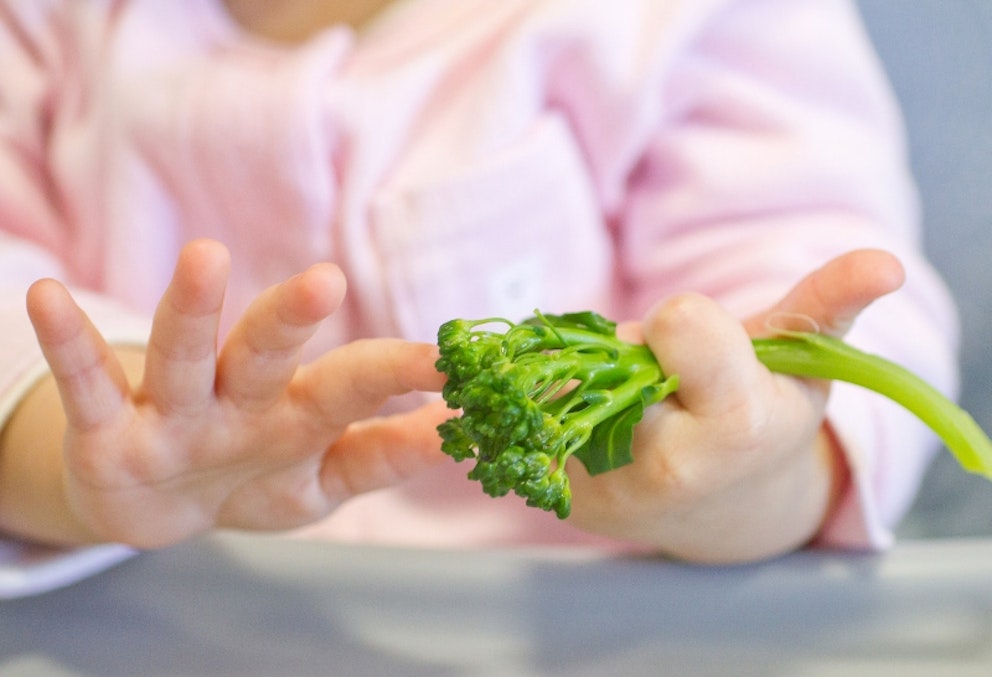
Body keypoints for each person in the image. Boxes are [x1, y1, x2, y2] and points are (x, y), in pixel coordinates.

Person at [0, 0, 959, 597]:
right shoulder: (45, 33)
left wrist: (753, 482)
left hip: (597, 628)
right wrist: (77, 460)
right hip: (174, 620)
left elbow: (801, 284)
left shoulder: (676, 20)